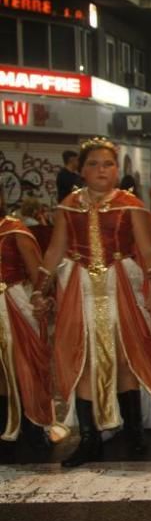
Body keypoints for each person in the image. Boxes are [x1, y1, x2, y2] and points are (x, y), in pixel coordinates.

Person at [33, 137, 151, 467]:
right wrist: (40, 287)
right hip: (80, 288)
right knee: (82, 360)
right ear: (80, 170)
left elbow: (149, 251)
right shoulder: (69, 205)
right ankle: (90, 439)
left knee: (126, 358)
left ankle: (134, 432)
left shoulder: (130, 205)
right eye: (93, 164)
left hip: (120, 285)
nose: (101, 169)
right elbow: (54, 250)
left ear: (116, 169)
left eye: (108, 164)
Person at [0, 193, 55, 452]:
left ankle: (33, 425)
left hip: (15, 304)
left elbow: (38, 274)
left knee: (25, 364)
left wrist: (41, 302)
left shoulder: (15, 230)